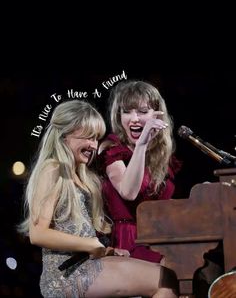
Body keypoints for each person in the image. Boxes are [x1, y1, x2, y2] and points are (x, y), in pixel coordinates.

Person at [18, 99, 178, 298]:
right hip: (66, 275)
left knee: (169, 275)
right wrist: (90, 244)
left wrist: (107, 250)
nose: (93, 145)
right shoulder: (52, 168)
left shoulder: (82, 176)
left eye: (96, 139)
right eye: (88, 137)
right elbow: (38, 234)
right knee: (166, 280)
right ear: (64, 135)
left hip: (87, 264)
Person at [98, 80, 182, 263]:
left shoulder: (160, 156)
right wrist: (141, 144)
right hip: (128, 243)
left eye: (142, 112)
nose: (134, 118)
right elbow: (128, 192)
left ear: (158, 116)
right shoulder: (112, 148)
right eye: (126, 111)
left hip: (159, 239)